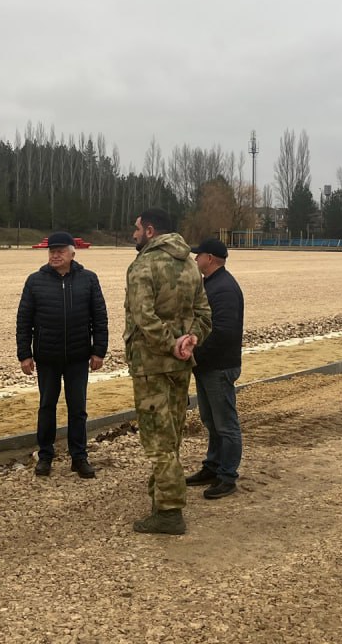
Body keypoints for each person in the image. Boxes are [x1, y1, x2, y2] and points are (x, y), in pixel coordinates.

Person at [124, 208, 211, 535]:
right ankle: (161, 498)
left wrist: (171, 343)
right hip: (180, 365)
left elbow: (143, 318)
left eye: (136, 229)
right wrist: (191, 339)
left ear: (149, 231)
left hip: (152, 366)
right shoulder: (190, 265)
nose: (133, 234)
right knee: (170, 433)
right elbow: (204, 313)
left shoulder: (143, 266)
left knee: (157, 439)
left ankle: (170, 512)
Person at [16, 231, 109, 478]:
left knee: (77, 408)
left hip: (78, 357)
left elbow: (99, 317)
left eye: (60, 251)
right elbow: (24, 320)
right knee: (47, 406)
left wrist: (99, 350)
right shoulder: (35, 281)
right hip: (47, 357)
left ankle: (79, 457)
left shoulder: (88, 279)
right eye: (51, 251)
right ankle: (45, 456)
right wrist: (24, 354)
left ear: (72, 253)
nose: (55, 255)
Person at [185, 237, 244, 500]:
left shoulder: (224, 289)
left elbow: (222, 333)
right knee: (211, 421)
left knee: (225, 424)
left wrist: (196, 354)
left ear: (209, 258)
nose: (195, 259)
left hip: (218, 366)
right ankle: (213, 466)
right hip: (208, 366)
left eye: (198, 255)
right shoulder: (213, 284)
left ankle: (227, 476)